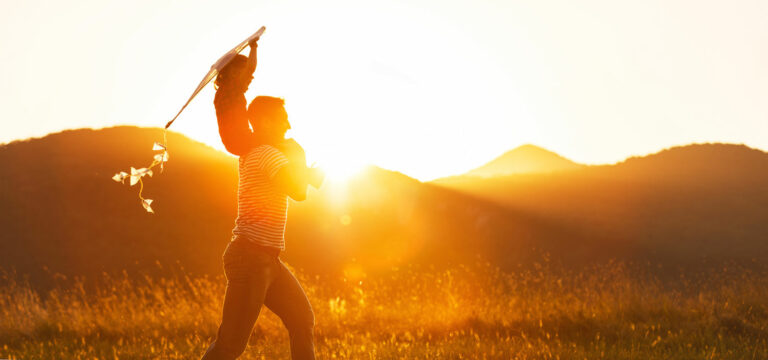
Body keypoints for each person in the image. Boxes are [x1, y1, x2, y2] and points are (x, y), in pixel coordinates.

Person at [202, 38, 324, 360]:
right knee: (230, 345)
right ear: (268, 122)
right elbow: (296, 190)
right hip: (250, 258)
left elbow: (295, 183)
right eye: (283, 118)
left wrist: (305, 171)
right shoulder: (264, 153)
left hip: (267, 259)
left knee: (302, 321)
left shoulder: (266, 151)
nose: (289, 124)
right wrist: (305, 168)